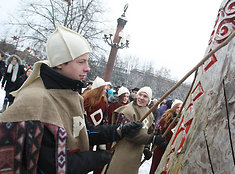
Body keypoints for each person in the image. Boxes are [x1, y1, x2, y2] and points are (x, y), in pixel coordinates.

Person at [0, 25, 142, 174]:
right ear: (60, 63)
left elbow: (83, 131)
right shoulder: (36, 100)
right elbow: (46, 166)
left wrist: (117, 131)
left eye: (87, 61)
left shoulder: (71, 93)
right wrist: (92, 159)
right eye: (81, 62)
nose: (87, 68)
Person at [106, 86, 166, 174]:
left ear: (149, 100)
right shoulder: (128, 110)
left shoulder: (149, 114)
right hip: (122, 152)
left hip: (136, 155)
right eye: (140, 95)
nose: (141, 98)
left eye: (145, 96)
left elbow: (149, 131)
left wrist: (146, 148)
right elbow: (129, 134)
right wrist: (152, 139)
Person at [149, 99, 183, 174]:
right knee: (156, 169)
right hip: (161, 150)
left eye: (181, 107)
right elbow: (156, 133)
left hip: (173, 152)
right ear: (173, 108)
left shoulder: (183, 122)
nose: (179, 109)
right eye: (177, 107)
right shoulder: (165, 119)